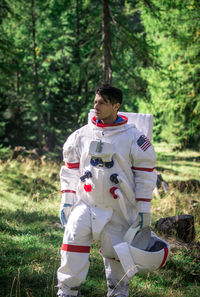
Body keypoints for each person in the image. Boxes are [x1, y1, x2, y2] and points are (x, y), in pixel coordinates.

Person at [57, 84, 157, 297]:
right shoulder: (81, 135)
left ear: (116, 106)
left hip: (118, 207)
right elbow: (70, 168)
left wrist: (143, 209)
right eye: (95, 102)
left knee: (117, 253)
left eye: (102, 103)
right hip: (87, 203)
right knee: (72, 242)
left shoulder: (133, 137)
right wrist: (67, 200)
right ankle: (67, 291)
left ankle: (118, 291)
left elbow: (145, 175)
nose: (96, 106)